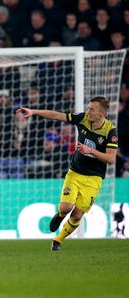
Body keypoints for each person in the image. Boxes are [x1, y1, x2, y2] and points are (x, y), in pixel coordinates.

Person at [16, 96, 118, 251]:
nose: (88, 111)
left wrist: (91, 150)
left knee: (77, 215)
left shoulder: (110, 131)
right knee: (66, 207)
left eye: (92, 109)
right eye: (88, 107)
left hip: (94, 178)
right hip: (75, 172)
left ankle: (57, 241)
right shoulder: (83, 118)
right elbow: (57, 115)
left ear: (101, 113)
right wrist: (34, 111)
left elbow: (110, 159)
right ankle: (60, 215)